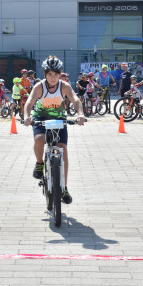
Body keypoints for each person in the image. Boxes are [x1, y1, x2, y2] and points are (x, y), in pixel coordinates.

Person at [24, 56, 85, 204]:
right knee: (39, 139)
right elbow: (30, 102)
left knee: (62, 148)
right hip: (40, 118)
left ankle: (63, 188)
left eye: (56, 74)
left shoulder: (64, 86)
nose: (53, 77)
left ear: (60, 74)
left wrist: (80, 114)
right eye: (50, 74)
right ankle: (39, 163)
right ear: (45, 74)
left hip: (59, 119)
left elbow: (75, 100)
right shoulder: (39, 87)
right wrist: (27, 116)